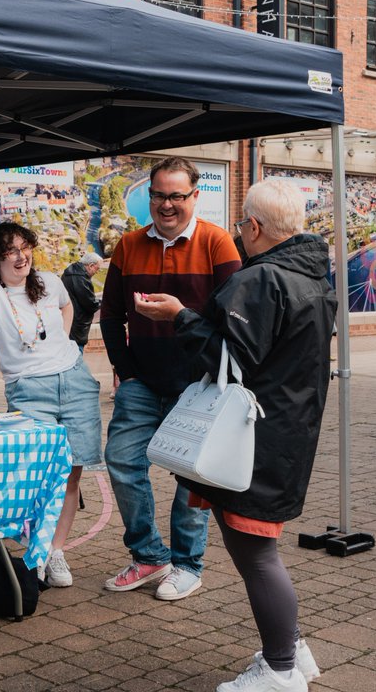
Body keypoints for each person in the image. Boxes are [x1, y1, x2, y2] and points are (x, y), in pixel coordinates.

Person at [136, 179, 336, 692]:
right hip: (284, 432)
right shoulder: (311, 277)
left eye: (242, 223)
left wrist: (177, 316)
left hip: (253, 441)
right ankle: (290, 649)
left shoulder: (264, 278)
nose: (239, 231)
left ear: (253, 226)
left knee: (257, 556)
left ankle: (281, 669)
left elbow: (228, 360)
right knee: (258, 552)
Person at [100, 156, 241, 600]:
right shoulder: (127, 245)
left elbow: (232, 321)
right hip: (142, 380)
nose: (165, 205)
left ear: (194, 197)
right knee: (122, 462)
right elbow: (110, 315)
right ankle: (148, 555)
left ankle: (187, 564)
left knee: (190, 475)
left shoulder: (218, 244)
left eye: (176, 196)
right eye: (158, 195)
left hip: (198, 385)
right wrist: (126, 369)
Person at [0, 222, 102, 589]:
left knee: (72, 471)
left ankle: (54, 551)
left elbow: (67, 306)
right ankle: (35, 549)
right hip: (27, 389)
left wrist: (64, 347)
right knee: (40, 473)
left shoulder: (51, 281)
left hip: (75, 380)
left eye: (26, 247)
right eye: (11, 250)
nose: (22, 256)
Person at [62, 250, 103, 349]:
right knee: (76, 356)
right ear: (91, 265)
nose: (96, 272)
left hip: (67, 323)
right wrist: (103, 302)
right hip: (77, 326)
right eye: (97, 269)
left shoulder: (69, 273)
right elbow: (90, 304)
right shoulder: (81, 278)